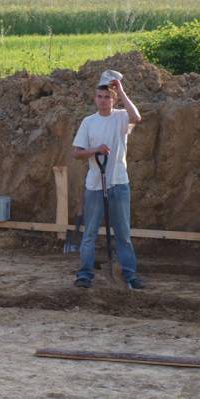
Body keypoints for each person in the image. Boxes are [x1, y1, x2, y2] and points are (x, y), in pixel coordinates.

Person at [72, 70, 144, 289]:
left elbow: (137, 118)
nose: (103, 101)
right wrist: (95, 150)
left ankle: (129, 274)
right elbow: (77, 152)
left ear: (113, 100)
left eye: (107, 97)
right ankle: (84, 273)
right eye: (100, 97)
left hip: (119, 183)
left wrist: (120, 90)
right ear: (95, 99)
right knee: (90, 232)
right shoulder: (88, 122)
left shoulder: (121, 117)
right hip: (95, 185)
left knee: (123, 233)